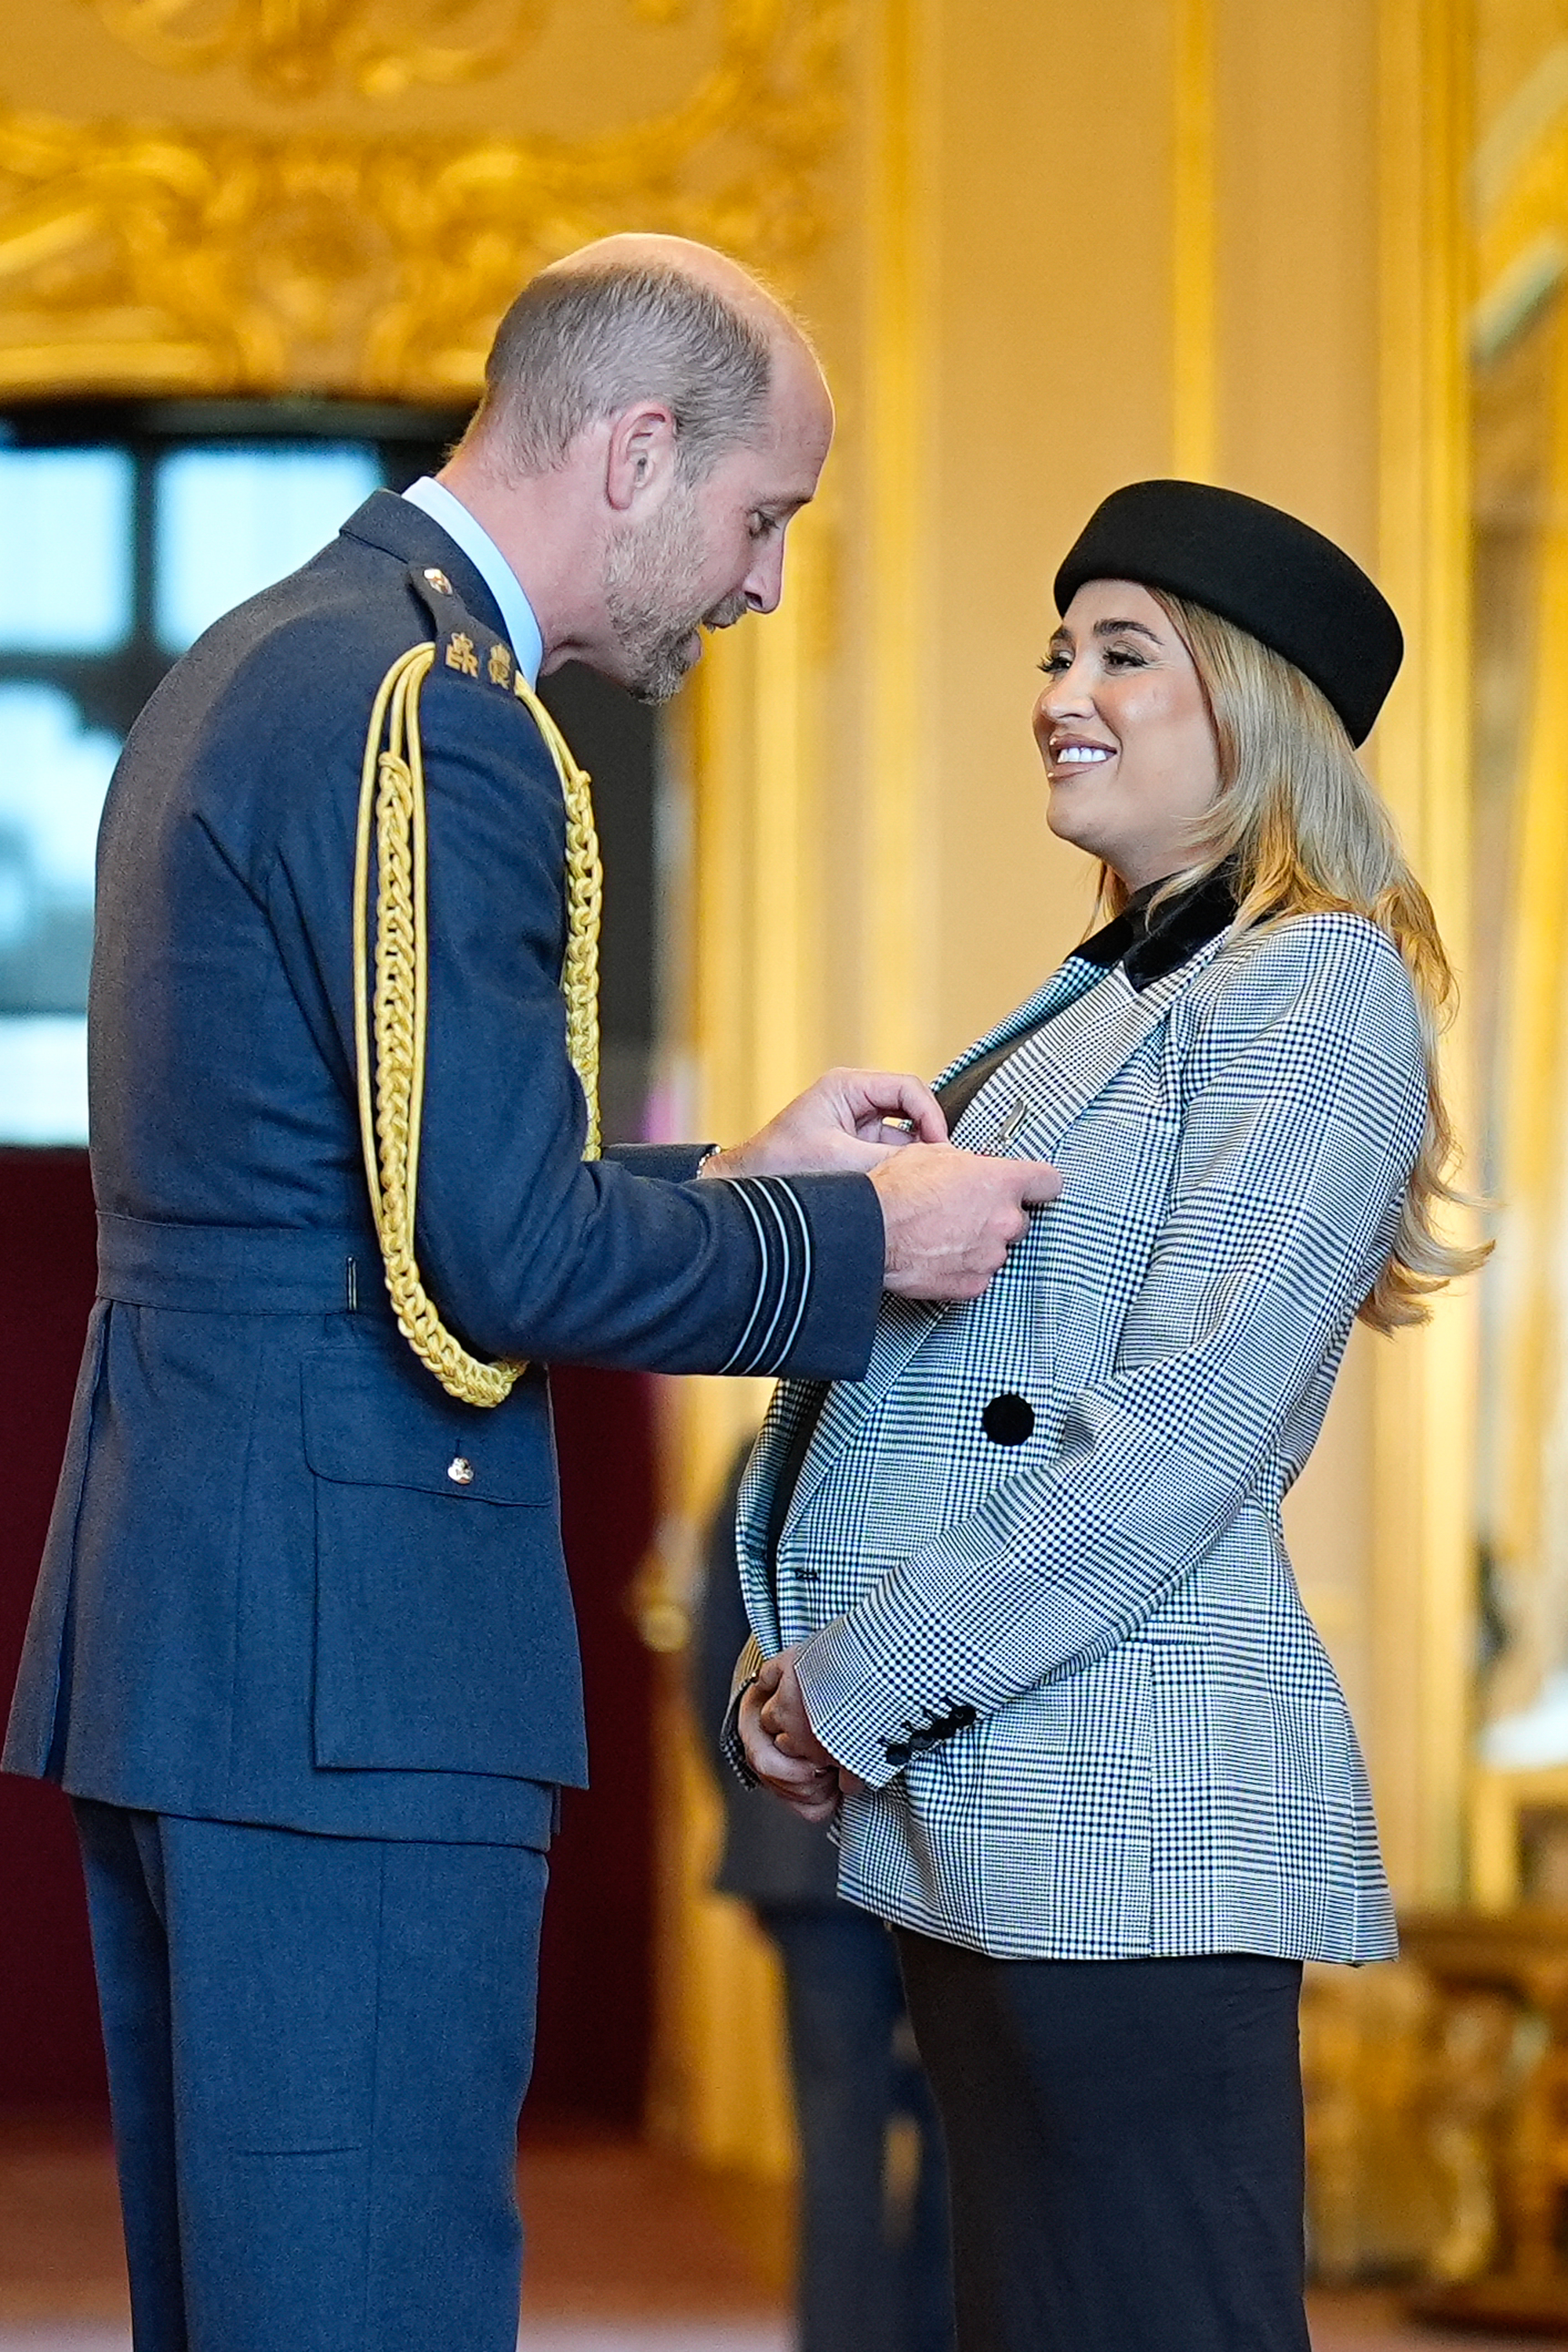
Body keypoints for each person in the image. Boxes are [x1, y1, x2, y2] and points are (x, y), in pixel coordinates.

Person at [0, 234, 1061, 2352]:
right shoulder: (438, 719)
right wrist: (872, 1243)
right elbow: (492, 1258)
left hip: (204, 1628)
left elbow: (357, 1179)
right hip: (350, 1664)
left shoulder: (260, 660)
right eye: (764, 519)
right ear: (637, 449)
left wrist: (731, 1175)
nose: (760, 585)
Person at [731, 478, 1485, 2352]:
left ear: (1255, 705)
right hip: (1001, 1788)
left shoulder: (1311, 984)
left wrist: (846, 1675)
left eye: (1121, 651)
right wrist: (803, 1654)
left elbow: (1166, 1442)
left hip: (1128, 1808)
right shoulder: (1108, 992)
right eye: (1057, 647)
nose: (1061, 685)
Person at [695, 1441, 955, 2352]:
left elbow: (712, 1653)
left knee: (845, 2137)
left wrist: (752, 1795)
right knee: (946, 2132)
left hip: (812, 1849)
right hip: (923, 1847)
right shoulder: (992, 1410)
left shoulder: (782, 1436)